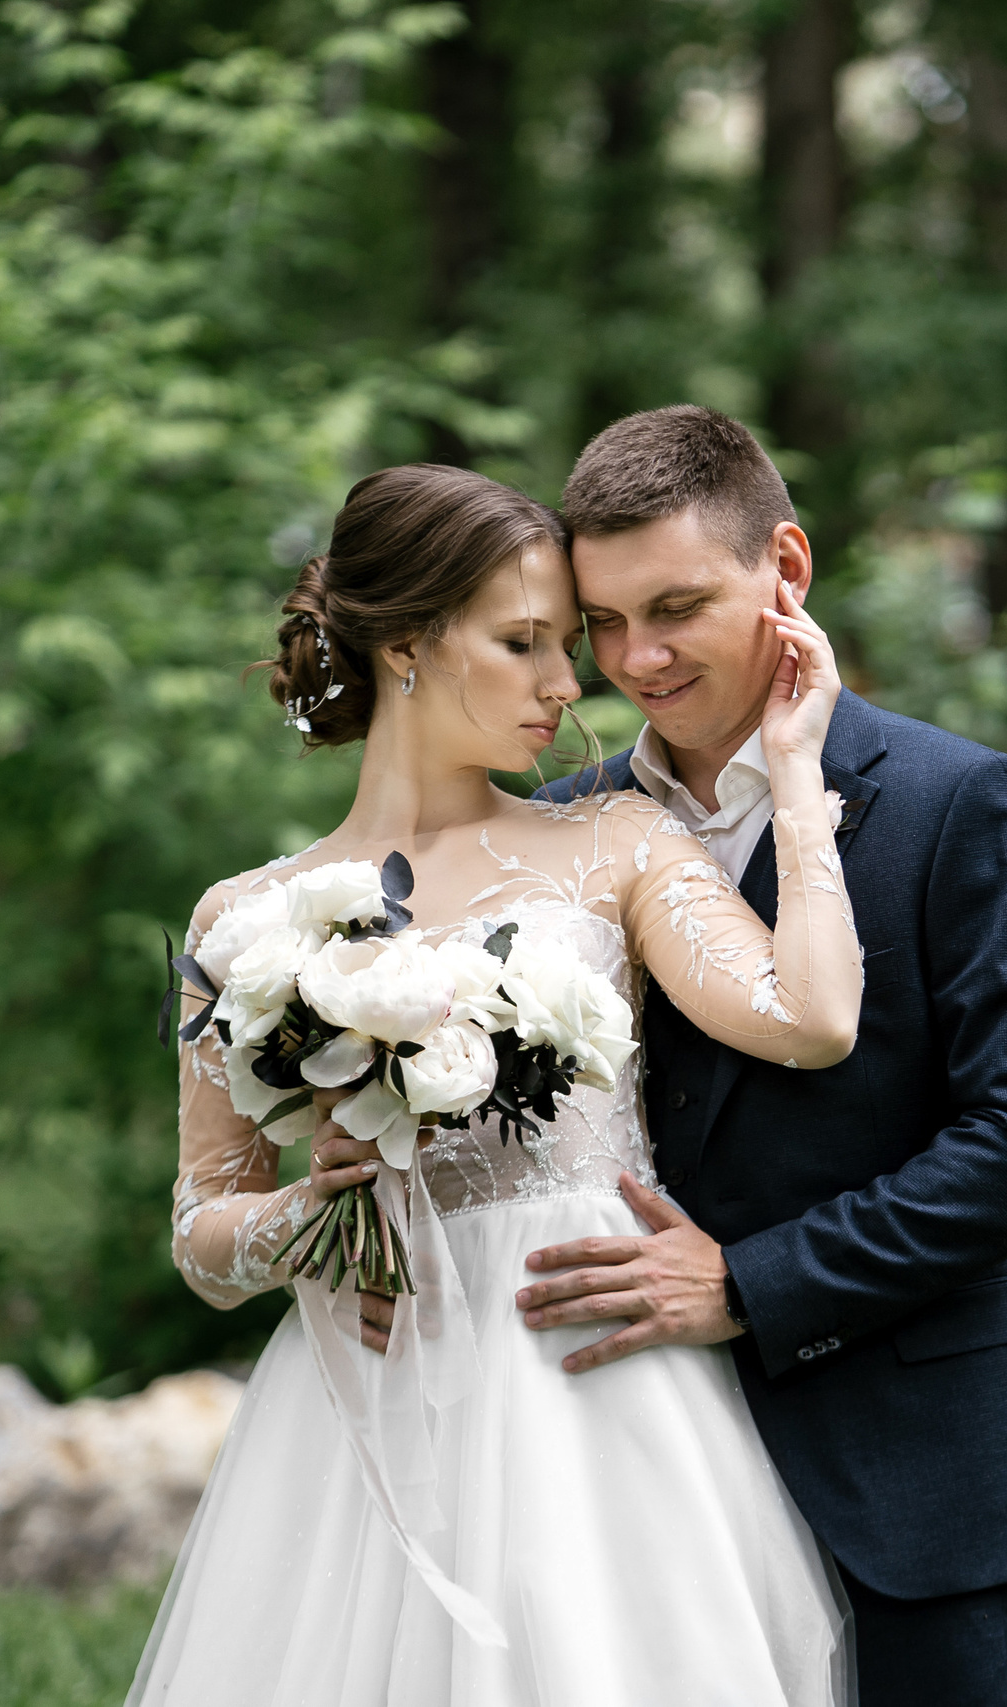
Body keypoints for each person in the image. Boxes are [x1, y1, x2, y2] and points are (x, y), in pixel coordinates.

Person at [128, 463, 866, 1705]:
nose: (568, 684)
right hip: (367, 1406)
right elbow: (202, 1234)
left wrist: (796, 776)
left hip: (594, 1390)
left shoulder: (617, 845)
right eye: (524, 644)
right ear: (409, 645)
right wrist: (309, 1229)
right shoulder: (243, 917)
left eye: (564, 645)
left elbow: (814, 1019)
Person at [517, 405, 1007, 1705]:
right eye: (602, 622)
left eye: (676, 606)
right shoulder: (553, 831)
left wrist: (754, 1278)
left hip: (907, 1464)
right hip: (619, 1449)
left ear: (786, 567)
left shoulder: (962, 802)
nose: (638, 656)